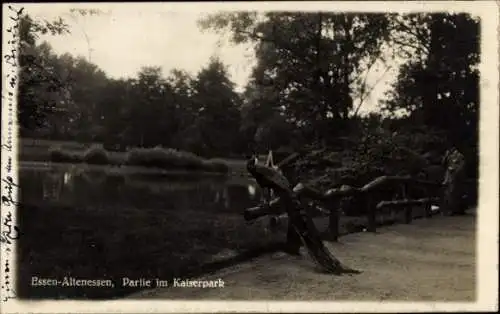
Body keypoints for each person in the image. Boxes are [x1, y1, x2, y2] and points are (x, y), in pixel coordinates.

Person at [440, 146, 467, 215]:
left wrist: (455, 172)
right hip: (449, 176)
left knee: (455, 193)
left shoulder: (460, 156)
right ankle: (450, 209)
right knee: (448, 193)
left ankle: (456, 209)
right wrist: (445, 156)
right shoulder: (448, 156)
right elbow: (443, 164)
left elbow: (461, 166)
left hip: (456, 177)